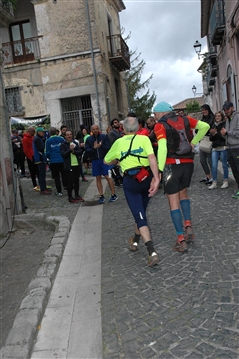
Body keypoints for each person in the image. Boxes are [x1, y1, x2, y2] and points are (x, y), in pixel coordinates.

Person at [154, 101, 210, 253]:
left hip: (172, 164)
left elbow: (163, 147)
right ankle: (188, 225)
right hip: (188, 163)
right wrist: (193, 142)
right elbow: (205, 127)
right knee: (183, 193)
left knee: (173, 201)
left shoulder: (160, 125)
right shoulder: (185, 119)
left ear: (161, 113)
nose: (154, 116)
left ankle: (181, 239)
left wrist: (159, 170)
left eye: (155, 113)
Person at [104, 116, 160, 267]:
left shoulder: (118, 142)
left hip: (131, 182)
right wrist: (156, 178)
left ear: (123, 129)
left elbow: (106, 160)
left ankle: (151, 251)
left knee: (140, 216)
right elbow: (152, 157)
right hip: (146, 178)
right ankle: (135, 240)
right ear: (137, 128)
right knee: (140, 211)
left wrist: (118, 160)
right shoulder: (145, 139)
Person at [85, 124, 118, 204]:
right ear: (91, 131)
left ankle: (113, 194)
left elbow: (109, 147)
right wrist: (94, 148)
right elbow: (87, 151)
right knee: (98, 178)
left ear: (98, 129)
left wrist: (101, 146)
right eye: (94, 129)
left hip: (104, 160)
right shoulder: (89, 139)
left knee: (108, 177)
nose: (95, 130)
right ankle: (101, 195)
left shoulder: (103, 137)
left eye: (97, 129)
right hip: (95, 160)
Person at [220, 101, 239, 199]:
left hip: (237, 147)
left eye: (227, 109)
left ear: (232, 108)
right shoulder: (228, 120)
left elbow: (237, 133)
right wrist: (223, 134)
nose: (225, 111)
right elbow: (228, 134)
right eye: (224, 110)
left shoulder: (237, 117)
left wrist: (227, 132)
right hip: (229, 148)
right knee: (235, 171)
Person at [60, 130, 84, 203]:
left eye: (70, 134)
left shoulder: (75, 143)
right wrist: (70, 150)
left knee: (77, 181)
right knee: (70, 182)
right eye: (67, 135)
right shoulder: (63, 145)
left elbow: (80, 152)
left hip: (76, 165)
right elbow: (63, 155)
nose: (69, 136)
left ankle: (77, 195)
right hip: (69, 166)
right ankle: (70, 197)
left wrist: (74, 152)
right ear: (65, 136)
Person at [208, 111, 228, 189]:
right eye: (216, 116)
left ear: (222, 117)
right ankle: (214, 182)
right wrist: (213, 134)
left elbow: (223, 138)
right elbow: (211, 138)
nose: (217, 117)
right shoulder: (213, 125)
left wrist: (216, 134)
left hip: (223, 147)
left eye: (219, 116)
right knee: (214, 165)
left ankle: (225, 180)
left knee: (224, 165)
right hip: (215, 148)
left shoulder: (224, 125)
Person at [45, 127, 68, 196]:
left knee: (56, 177)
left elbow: (47, 152)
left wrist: (49, 158)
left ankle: (59, 191)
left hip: (53, 161)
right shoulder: (61, 139)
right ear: (56, 132)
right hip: (62, 160)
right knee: (64, 174)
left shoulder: (48, 141)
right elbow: (65, 148)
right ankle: (66, 187)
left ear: (49, 133)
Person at [199, 104, 215, 185]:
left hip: (209, 140)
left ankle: (213, 177)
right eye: (202, 110)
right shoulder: (203, 119)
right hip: (202, 140)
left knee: (210, 160)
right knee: (202, 160)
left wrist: (202, 129)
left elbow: (207, 128)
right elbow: (198, 130)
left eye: (205, 109)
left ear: (208, 110)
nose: (203, 111)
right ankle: (208, 176)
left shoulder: (212, 118)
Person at [33, 127, 51, 195]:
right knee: (41, 175)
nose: (44, 133)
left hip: (40, 158)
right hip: (40, 159)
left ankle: (44, 187)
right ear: (38, 132)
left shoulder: (38, 138)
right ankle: (43, 189)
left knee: (42, 174)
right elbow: (41, 149)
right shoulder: (38, 139)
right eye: (42, 132)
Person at [108, 119, 124, 187]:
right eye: (115, 122)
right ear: (112, 125)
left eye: (117, 122)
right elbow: (112, 143)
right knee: (115, 167)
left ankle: (121, 179)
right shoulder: (112, 133)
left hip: (121, 151)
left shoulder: (120, 132)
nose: (117, 123)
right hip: (116, 151)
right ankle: (117, 180)